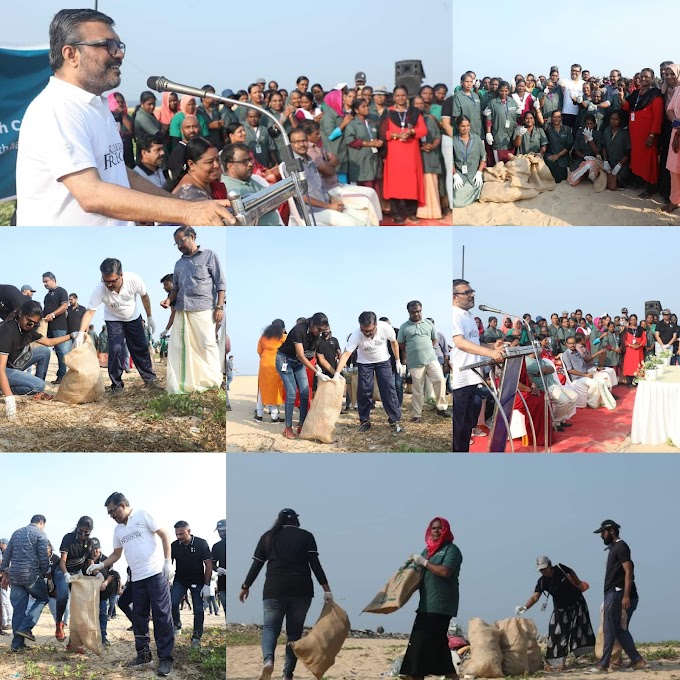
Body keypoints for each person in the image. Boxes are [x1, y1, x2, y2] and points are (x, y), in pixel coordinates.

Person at [16, 9, 234, 226]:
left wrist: (185, 206)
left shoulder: (96, 106)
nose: (119, 54)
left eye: (119, 47)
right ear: (71, 54)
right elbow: (91, 194)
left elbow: (121, 173)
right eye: (108, 46)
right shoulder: (57, 108)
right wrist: (186, 212)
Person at [239, 508, 332, 680]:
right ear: (296, 521)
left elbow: (257, 565)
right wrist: (326, 589)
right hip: (301, 590)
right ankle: (287, 675)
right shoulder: (306, 536)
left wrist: (246, 586)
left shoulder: (268, 537)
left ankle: (268, 661)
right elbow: (315, 564)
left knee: (270, 628)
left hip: (274, 589)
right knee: (294, 633)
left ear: (279, 520)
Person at [87, 492, 174, 677]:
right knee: (139, 615)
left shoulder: (143, 515)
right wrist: (101, 564)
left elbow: (164, 534)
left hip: (155, 573)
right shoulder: (118, 530)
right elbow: (117, 554)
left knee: (161, 614)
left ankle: (165, 658)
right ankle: (143, 654)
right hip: (137, 578)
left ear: (123, 505)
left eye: (113, 511)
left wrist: (168, 561)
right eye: (109, 513)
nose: (112, 516)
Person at [74, 258, 159, 393]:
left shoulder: (133, 280)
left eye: (113, 281)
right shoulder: (100, 289)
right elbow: (90, 312)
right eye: (106, 281)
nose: (109, 285)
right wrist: (80, 332)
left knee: (140, 348)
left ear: (121, 275)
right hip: (113, 320)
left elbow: (145, 297)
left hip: (133, 318)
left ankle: (150, 380)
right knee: (116, 350)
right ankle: (117, 386)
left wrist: (149, 317)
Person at [162, 228, 225, 394]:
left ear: (192, 237)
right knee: (181, 347)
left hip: (204, 308)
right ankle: (187, 383)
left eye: (181, 241)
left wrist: (219, 307)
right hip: (183, 309)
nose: (179, 246)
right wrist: (169, 300)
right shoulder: (178, 264)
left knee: (207, 344)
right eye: (176, 243)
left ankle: (213, 380)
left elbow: (220, 284)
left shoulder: (209, 255)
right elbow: (175, 289)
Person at [400, 517, 462, 680]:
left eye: (439, 528)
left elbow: (445, 572)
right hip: (426, 603)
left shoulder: (451, 550)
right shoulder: (426, 551)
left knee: (422, 638)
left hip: (442, 604)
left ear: (445, 530)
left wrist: (425, 563)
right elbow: (416, 574)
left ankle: (415, 674)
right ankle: (450, 674)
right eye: (433, 528)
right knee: (437, 640)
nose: (436, 531)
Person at [451, 279, 505, 452]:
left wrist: (491, 347)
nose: (471, 295)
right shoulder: (454, 315)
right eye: (466, 292)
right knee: (459, 430)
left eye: (471, 291)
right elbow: (460, 343)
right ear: (454, 298)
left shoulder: (468, 317)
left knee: (467, 428)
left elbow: (474, 344)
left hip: (473, 378)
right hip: (461, 380)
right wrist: (490, 354)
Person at [516, 556, 595, 671]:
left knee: (579, 629)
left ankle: (588, 653)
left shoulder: (560, 569)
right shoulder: (542, 582)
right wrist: (525, 607)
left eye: (545, 568)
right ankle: (559, 663)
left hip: (577, 604)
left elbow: (570, 571)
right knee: (557, 634)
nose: (543, 571)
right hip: (560, 609)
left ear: (550, 565)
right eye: (541, 570)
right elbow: (535, 597)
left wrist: (578, 583)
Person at [1, 300, 77, 417]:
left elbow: (49, 342)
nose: (30, 326)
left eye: (34, 324)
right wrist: (9, 399)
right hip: (3, 370)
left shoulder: (27, 329)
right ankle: (5, 390)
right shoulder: (8, 330)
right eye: (29, 321)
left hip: (12, 366)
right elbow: (0, 369)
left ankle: (37, 393)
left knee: (44, 351)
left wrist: (72, 335)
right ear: (20, 314)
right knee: (39, 385)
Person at [333, 312, 404, 434]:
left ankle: (394, 420)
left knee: (388, 388)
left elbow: (394, 343)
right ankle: (364, 421)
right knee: (364, 390)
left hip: (383, 361)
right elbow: (346, 354)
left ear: (376, 325)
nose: (366, 334)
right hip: (364, 363)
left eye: (370, 331)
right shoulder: (356, 335)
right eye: (364, 331)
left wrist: (398, 361)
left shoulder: (385, 328)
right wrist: (337, 373)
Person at [590, 520, 646, 673]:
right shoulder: (614, 547)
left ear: (612, 531)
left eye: (603, 532)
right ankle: (637, 660)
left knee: (609, 629)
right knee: (619, 629)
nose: (602, 535)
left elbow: (628, 571)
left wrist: (626, 596)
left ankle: (603, 665)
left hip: (618, 593)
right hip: (613, 593)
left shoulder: (621, 546)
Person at [0, 515, 50, 652]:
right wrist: (47, 572)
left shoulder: (16, 533)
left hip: (15, 576)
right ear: (41, 522)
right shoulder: (41, 534)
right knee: (42, 598)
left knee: (19, 610)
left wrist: (4, 572)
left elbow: (6, 555)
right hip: (32, 575)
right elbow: (43, 557)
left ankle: (17, 645)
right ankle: (26, 628)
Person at [276, 313, 329, 439]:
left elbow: (311, 354)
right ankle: (288, 428)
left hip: (298, 363)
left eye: (322, 330)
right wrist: (317, 373)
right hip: (285, 360)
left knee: (305, 392)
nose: (320, 332)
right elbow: (300, 355)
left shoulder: (316, 336)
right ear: (311, 324)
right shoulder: (299, 330)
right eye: (318, 329)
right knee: (292, 392)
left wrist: (318, 367)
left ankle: (302, 424)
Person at [381, 86, 428, 223]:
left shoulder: (414, 112)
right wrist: (395, 135)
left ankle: (411, 213)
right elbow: (383, 132)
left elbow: (423, 130)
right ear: (394, 97)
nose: (400, 98)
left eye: (403, 95)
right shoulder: (388, 112)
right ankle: (396, 214)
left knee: (411, 182)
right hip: (394, 152)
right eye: (397, 95)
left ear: (407, 96)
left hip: (411, 152)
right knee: (395, 182)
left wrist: (411, 132)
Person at [398, 302, 450, 422]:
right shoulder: (404, 327)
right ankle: (416, 415)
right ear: (409, 312)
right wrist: (413, 351)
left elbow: (434, 339)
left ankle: (441, 408)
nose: (416, 314)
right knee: (418, 389)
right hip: (415, 363)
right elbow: (401, 344)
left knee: (440, 380)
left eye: (418, 311)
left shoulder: (429, 324)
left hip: (431, 359)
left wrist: (425, 349)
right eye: (413, 312)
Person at [620, 68, 664, 198]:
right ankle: (639, 183)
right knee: (637, 159)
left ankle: (651, 188)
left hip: (647, 135)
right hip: (635, 135)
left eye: (646, 77)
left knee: (648, 161)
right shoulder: (636, 93)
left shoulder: (655, 95)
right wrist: (622, 98)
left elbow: (658, 118)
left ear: (652, 78)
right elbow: (627, 107)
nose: (643, 79)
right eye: (641, 77)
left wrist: (652, 135)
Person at [170, 521, 213, 647]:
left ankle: (196, 637)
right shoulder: (174, 545)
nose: (179, 537)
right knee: (172, 603)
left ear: (189, 531)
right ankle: (177, 624)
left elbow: (208, 564)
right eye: (176, 534)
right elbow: (168, 560)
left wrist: (207, 584)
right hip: (180, 580)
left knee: (198, 609)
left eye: (181, 534)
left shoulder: (201, 543)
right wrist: (166, 568)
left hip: (197, 580)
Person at [54, 516, 96, 643]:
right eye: (80, 532)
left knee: (79, 604)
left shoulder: (90, 543)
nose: (83, 535)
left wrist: (98, 573)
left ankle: (74, 640)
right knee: (62, 597)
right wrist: (66, 574)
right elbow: (62, 561)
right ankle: (59, 623)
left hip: (77, 573)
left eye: (86, 533)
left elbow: (90, 563)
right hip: (63, 571)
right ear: (77, 528)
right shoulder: (68, 538)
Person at [221, 143, 280, 225]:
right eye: (244, 162)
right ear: (230, 166)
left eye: (250, 159)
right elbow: (251, 211)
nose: (250, 164)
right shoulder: (227, 187)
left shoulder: (249, 179)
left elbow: (275, 201)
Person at [86, 537, 119, 646]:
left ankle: (103, 636)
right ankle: (90, 637)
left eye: (97, 548)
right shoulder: (87, 559)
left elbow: (112, 574)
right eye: (93, 548)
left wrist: (105, 583)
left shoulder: (106, 559)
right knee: (89, 615)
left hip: (103, 592)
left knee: (103, 613)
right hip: (89, 593)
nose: (95, 551)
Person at [42, 271, 71, 384]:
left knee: (61, 352)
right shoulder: (47, 295)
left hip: (59, 326)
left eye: (46, 281)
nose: (44, 284)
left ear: (53, 280)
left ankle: (62, 376)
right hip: (47, 327)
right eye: (43, 282)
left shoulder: (61, 291)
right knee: (45, 350)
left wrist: (53, 315)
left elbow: (64, 306)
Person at [452, 115, 486, 207]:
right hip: (460, 176)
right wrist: (455, 175)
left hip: (474, 176)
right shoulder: (453, 141)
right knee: (456, 202)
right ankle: (473, 196)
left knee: (480, 187)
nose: (465, 128)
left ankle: (475, 194)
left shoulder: (477, 139)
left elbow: (483, 157)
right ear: (458, 126)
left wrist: (479, 172)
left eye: (467, 125)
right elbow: (450, 161)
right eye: (462, 126)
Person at [256, 321, 286, 423]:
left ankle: (259, 414)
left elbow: (259, 351)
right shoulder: (283, 337)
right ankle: (274, 416)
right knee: (275, 390)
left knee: (262, 389)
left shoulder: (263, 337)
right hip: (276, 364)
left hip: (264, 364)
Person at [602, 111, 631, 190]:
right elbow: (603, 146)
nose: (613, 121)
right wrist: (605, 161)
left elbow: (628, 152)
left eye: (616, 119)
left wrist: (619, 165)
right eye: (611, 119)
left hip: (621, 163)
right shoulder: (606, 130)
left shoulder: (624, 133)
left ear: (620, 120)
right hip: (609, 162)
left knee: (620, 178)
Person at [544, 111, 574, 183]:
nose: (556, 119)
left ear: (561, 118)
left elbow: (569, 145)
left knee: (561, 176)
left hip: (563, 156)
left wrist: (558, 155)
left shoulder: (567, 129)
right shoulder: (547, 127)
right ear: (551, 118)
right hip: (550, 155)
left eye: (558, 117)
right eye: (554, 117)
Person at [621, 315, 645, 387]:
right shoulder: (626, 329)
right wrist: (630, 345)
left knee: (638, 365)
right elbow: (624, 340)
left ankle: (637, 381)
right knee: (629, 366)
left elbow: (644, 339)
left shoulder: (641, 329)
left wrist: (640, 345)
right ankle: (629, 382)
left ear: (637, 320)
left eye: (634, 320)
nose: (633, 321)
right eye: (631, 320)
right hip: (630, 350)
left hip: (638, 350)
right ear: (629, 321)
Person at [212, 520, 226, 617]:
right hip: (223, 581)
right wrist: (217, 569)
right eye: (219, 531)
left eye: (224, 530)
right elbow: (212, 564)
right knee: (226, 605)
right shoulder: (216, 546)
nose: (222, 533)